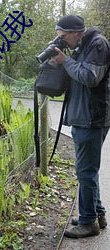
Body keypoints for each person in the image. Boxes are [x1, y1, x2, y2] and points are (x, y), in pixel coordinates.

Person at [52, 15, 110, 238]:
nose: (63, 41)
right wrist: (62, 60)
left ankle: (88, 223)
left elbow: (89, 77)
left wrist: (65, 61)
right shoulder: (81, 46)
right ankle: (97, 214)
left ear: (76, 32)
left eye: (64, 37)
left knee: (85, 171)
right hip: (82, 117)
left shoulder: (98, 44)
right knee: (87, 171)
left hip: (92, 118)